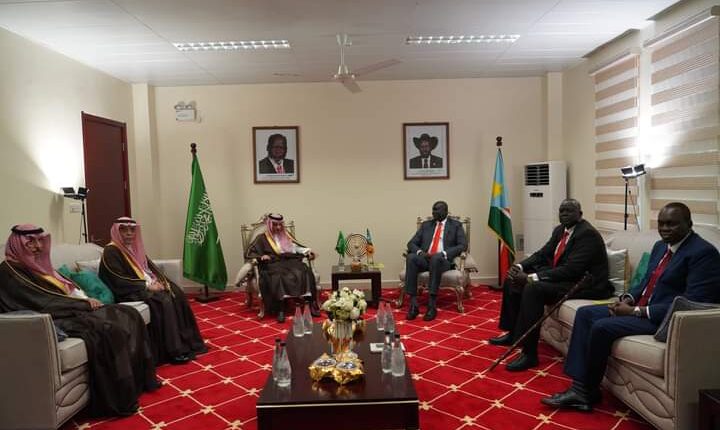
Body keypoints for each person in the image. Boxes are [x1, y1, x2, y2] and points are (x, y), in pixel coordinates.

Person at [541, 202, 720, 412]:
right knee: (585, 313)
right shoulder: (660, 246)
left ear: (689, 224)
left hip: (664, 320)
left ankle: (584, 392)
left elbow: (692, 304)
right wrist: (627, 299)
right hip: (640, 309)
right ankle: (580, 386)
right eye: (661, 224)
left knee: (601, 327)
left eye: (672, 224)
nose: (665, 229)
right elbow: (644, 282)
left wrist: (637, 311)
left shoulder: (703, 254)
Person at [0, 224, 159, 417]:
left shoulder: (36, 266)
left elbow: (61, 290)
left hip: (71, 309)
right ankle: (118, 395)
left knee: (129, 314)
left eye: (40, 241)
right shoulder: (9, 271)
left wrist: (82, 301)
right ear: (17, 244)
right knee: (110, 330)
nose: (37, 246)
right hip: (53, 319)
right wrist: (82, 304)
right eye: (30, 242)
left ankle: (139, 381)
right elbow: (41, 301)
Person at [488, 199, 614, 371]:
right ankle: (513, 334)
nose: (564, 214)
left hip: (585, 284)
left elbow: (571, 269)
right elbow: (542, 254)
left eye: (569, 211)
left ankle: (529, 354)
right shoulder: (560, 230)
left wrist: (531, 278)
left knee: (533, 288)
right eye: (562, 211)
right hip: (566, 278)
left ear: (580, 214)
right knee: (512, 280)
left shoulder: (587, 234)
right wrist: (519, 267)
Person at [98, 217, 207, 365]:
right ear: (117, 231)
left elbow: (149, 269)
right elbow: (117, 279)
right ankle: (173, 351)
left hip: (144, 285)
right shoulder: (111, 251)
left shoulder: (135, 248)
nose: (129, 233)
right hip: (128, 291)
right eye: (124, 230)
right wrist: (147, 286)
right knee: (163, 300)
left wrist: (161, 281)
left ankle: (186, 341)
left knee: (176, 292)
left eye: (132, 230)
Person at [245, 213, 320, 323]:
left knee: (304, 270)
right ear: (270, 225)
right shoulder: (262, 238)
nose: (278, 227)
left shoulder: (286, 235)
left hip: (289, 260)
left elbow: (296, 247)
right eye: (275, 225)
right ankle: (280, 308)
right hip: (272, 263)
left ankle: (310, 303)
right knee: (278, 276)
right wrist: (261, 256)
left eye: (280, 225)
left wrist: (307, 251)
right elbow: (249, 252)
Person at [404, 201, 467, 321]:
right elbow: (411, 243)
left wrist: (444, 253)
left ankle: (432, 305)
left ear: (446, 211)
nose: (433, 212)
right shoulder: (426, 225)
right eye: (433, 210)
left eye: (437, 210)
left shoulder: (456, 225)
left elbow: (462, 245)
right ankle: (413, 304)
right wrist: (420, 253)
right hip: (425, 259)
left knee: (436, 258)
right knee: (411, 257)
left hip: (442, 260)